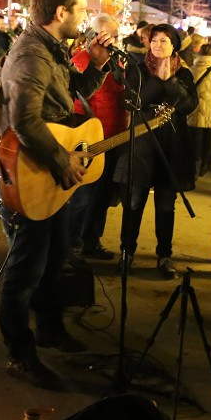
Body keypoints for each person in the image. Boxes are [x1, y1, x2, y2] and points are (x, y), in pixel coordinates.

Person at [0, 0, 117, 390]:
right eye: (81, 8)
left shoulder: (53, 49)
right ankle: (20, 353)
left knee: (56, 256)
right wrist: (62, 160)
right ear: (60, 12)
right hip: (34, 174)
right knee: (25, 268)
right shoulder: (33, 55)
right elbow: (25, 120)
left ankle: (49, 328)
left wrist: (98, 67)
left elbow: (65, 99)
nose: (87, 16)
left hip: (50, 173)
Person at [113, 23, 198, 279]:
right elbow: (130, 102)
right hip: (141, 146)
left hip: (171, 148)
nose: (158, 45)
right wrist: (155, 81)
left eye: (164, 41)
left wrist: (169, 81)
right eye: (154, 40)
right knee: (134, 201)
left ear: (174, 46)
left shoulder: (183, 74)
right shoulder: (138, 70)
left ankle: (164, 255)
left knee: (165, 204)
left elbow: (188, 105)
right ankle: (127, 253)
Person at [68, 14, 126, 263]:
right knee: (84, 197)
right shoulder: (82, 60)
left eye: (113, 35)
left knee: (102, 198)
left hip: (114, 139)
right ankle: (73, 244)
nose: (109, 40)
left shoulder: (116, 63)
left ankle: (92, 240)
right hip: (90, 142)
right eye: (105, 35)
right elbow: (76, 104)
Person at [187, 42, 211, 176]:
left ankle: (193, 167)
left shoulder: (191, 70)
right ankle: (204, 166)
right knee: (208, 142)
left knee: (194, 142)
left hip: (194, 109)